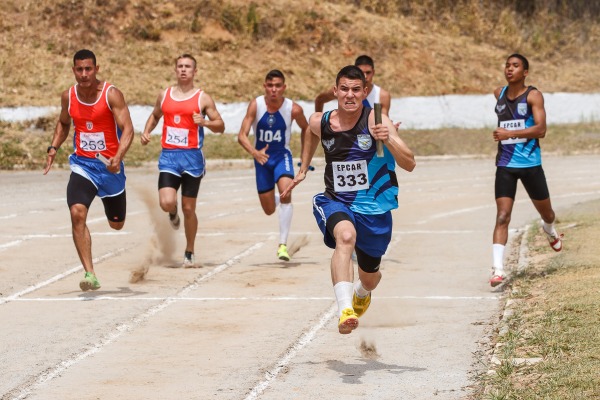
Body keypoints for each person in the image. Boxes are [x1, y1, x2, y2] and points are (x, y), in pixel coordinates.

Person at [282, 65, 415, 334]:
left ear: (365, 92)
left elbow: (409, 162)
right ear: (335, 91)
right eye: (344, 89)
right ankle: (345, 310)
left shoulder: (377, 121)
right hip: (337, 201)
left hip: (374, 210)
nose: (350, 95)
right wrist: (303, 168)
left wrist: (387, 139)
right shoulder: (323, 121)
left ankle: (361, 292)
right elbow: (310, 130)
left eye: (356, 89)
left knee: (370, 277)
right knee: (344, 237)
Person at [43, 49, 134, 291]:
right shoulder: (69, 97)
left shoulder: (111, 94)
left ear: (96, 69)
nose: (84, 74)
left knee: (117, 224)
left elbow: (128, 129)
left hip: (109, 168)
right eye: (79, 69)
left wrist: (118, 157)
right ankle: (89, 273)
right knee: (77, 213)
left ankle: (115, 206)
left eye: (88, 69)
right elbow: (64, 123)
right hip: (83, 165)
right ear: (73, 70)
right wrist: (53, 147)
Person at [141, 53, 225, 268]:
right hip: (169, 156)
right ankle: (172, 212)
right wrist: (147, 131)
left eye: (188, 66)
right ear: (175, 70)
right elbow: (155, 115)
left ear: (195, 71)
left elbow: (221, 126)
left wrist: (205, 122)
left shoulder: (202, 98)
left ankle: (189, 250)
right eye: (180, 66)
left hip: (192, 158)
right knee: (166, 201)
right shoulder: (165, 95)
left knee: (189, 208)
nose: (184, 70)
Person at [490, 53, 563, 287]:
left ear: (525, 72)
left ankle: (549, 229)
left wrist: (509, 134)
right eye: (507, 65)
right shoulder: (498, 94)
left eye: (515, 66)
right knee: (502, 216)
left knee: (548, 213)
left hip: (531, 166)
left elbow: (541, 130)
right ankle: (497, 270)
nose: (509, 69)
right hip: (505, 166)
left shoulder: (533, 95)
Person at [237, 69, 310, 261]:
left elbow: (307, 128)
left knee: (286, 190)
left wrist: (305, 157)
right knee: (269, 209)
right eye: (270, 85)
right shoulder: (256, 105)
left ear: (284, 87)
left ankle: (282, 245)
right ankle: (276, 197)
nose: (274, 89)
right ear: (264, 87)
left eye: (278, 86)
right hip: (261, 159)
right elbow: (241, 135)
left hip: (281, 156)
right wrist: (254, 152)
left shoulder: (293, 109)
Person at [314, 55, 392, 115]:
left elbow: (384, 124)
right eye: (361, 72)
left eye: (368, 72)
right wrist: (319, 120)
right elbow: (319, 100)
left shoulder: (382, 96)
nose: (365, 76)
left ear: (373, 72)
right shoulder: (341, 91)